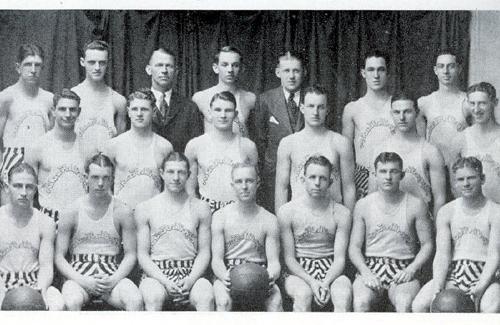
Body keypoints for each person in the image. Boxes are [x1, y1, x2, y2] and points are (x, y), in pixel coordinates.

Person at [55, 154, 143, 311]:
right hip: (79, 275)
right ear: (86, 177)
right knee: (72, 300)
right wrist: (82, 280)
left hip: (111, 274)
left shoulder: (122, 211)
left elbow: (131, 254)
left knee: (134, 299)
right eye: (95, 177)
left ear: (112, 179)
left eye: (106, 178)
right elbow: (59, 256)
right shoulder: (71, 210)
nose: (100, 183)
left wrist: (114, 279)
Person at [412, 157, 500, 313]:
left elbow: (494, 255)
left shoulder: (495, 212)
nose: (466, 183)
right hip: (454, 274)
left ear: (482, 179)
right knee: (419, 305)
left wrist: (480, 287)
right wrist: (438, 287)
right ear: (456, 182)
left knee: (490, 309)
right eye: (461, 179)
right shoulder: (447, 211)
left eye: (471, 178)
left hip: (485, 274)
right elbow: (442, 254)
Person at [349, 152, 434, 312]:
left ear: (401, 175)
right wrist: (365, 272)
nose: (388, 177)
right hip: (372, 266)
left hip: (403, 266)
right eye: (383, 171)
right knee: (360, 302)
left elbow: (427, 244)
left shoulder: (416, 204)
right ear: (374, 175)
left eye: (393, 171)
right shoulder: (363, 205)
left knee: (404, 302)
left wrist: (412, 269)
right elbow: (354, 247)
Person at [136, 152, 214, 311]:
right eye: (171, 172)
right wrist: (164, 281)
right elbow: (142, 254)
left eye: (181, 172)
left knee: (205, 296)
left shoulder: (201, 208)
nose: (176, 177)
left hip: (191, 272)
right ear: (161, 173)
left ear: (189, 175)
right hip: (157, 274)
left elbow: (204, 252)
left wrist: (191, 279)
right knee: (153, 296)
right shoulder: (145, 208)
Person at [278, 155, 352, 311]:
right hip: (299, 270)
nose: (317, 183)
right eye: (312, 177)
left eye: (322, 178)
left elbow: (339, 259)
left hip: (331, 269)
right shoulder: (287, 212)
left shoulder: (341, 213)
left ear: (330, 182)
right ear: (303, 179)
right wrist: (311, 281)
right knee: (303, 294)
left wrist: (325, 282)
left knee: (342, 295)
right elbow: (289, 258)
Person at [211, 162, 282, 311]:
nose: (244, 186)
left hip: (260, 272)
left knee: (275, 303)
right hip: (229, 273)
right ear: (232, 185)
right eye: (239, 181)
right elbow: (216, 260)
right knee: (223, 301)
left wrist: (270, 277)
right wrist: (225, 277)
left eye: (249, 181)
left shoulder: (269, 219)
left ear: (258, 183)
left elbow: (274, 262)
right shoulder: (220, 217)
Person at [275, 85, 355, 212]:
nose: (315, 112)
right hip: (299, 216)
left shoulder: (340, 142)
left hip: (332, 216)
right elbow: (281, 188)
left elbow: (349, 187)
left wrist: (348, 220)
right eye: (311, 106)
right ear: (302, 108)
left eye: (320, 107)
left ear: (327, 109)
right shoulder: (288, 143)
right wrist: (282, 224)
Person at [368, 92, 446, 218]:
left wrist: (436, 231)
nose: (402, 117)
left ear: (417, 112)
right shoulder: (380, 149)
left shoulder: (430, 151)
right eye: (397, 112)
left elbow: (440, 199)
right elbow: (372, 194)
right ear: (391, 114)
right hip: (386, 219)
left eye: (407, 111)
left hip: (420, 221)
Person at [0, 163, 64, 310]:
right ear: (7, 187)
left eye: (29, 187)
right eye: (17, 186)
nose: (23, 192)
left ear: (35, 189)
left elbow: (46, 266)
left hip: (34, 281)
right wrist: (2, 295)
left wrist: (40, 292)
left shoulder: (45, 222)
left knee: (58, 303)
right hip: (3, 282)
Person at [250, 50, 306, 213]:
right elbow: (260, 140)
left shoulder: (311, 98)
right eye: (286, 71)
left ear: (304, 72)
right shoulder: (265, 99)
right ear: (278, 72)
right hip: (273, 175)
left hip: (305, 173)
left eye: (296, 71)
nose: (291, 76)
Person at [185, 91, 258, 213]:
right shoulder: (195, 145)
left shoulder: (248, 146)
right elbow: (189, 190)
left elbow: (253, 189)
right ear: (210, 113)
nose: (223, 115)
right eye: (218, 110)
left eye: (228, 110)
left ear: (235, 114)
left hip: (239, 213)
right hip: (207, 213)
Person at [102, 89, 173, 209]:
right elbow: (103, 184)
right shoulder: (113, 146)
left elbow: (169, 189)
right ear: (128, 112)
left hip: (153, 216)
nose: (139, 114)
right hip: (122, 217)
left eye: (144, 109)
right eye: (135, 109)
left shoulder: (164, 147)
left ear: (154, 111)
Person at [0, 44, 52, 204]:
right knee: (9, 217)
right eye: (28, 64)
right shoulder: (6, 97)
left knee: (38, 215)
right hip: (13, 158)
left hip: (41, 160)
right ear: (18, 67)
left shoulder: (49, 99)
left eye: (37, 65)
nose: (33, 69)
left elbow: (52, 138)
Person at [24, 89, 87, 221]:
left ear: (79, 112)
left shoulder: (89, 147)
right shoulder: (37, 147)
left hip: (81, 219)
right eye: (62, 109)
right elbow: (27, 192)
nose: (68, 114)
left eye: (72, 109)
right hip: (49, 219)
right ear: (53, 111)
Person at [342, 50, 394, 199]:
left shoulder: (398, 106)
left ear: (388, 73)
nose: (376, 75)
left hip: (392, 176)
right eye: (371, 70)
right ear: (363, 73)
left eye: (381, 70)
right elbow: (347, 157)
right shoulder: (352, 109)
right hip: (362, 179)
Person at [72, 40, 127, 159]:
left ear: (108, 64)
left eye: (102, 63)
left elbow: (120, 146)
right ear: (82, 62)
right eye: (92, 62)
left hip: (107, 170)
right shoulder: (72, 97)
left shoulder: (118, 101)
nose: (97, 68)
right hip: (78, 166)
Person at [417, 50, 468, 168]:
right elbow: (420, 143)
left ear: (459, 69)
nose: (445, 71)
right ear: (435, 70)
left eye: (451, 66)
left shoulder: (468, 101)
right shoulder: (424, 103)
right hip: (433, 168)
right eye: (441, 66)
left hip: (460, 169)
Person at [146, 48, 204, 153]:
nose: (164, 70)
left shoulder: (189, 108)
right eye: (159, 65)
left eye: (169, 66)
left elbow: (196, 149)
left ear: (176, 71)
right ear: (149, 70)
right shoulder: (137, 105)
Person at [192, 46, 256, 136]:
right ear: (215, 68)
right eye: (225, 65)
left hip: (239, 148)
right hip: (211, 149)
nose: (230, 70)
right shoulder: (201, 97)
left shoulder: (250, 98)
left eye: (235, 65)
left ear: (241, 68)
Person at [458, 82, 500, 204]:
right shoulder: (462, 138)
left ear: (495, 102)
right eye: (472, 103)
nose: (476, 109)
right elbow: (455, 182)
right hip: (472, 212)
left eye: (482, 103)